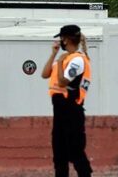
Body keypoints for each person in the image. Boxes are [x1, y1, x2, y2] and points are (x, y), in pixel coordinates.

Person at [41, 24, 93, 177]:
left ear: (67, 39)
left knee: (75, 151)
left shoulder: (77, 60)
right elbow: (45, 74)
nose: (60, 42)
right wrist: (54, 55)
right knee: (59, 152)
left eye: (62, 39)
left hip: (71, 108)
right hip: (60, 109)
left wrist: (61, 62)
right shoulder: (65, 59)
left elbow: (63, 81)